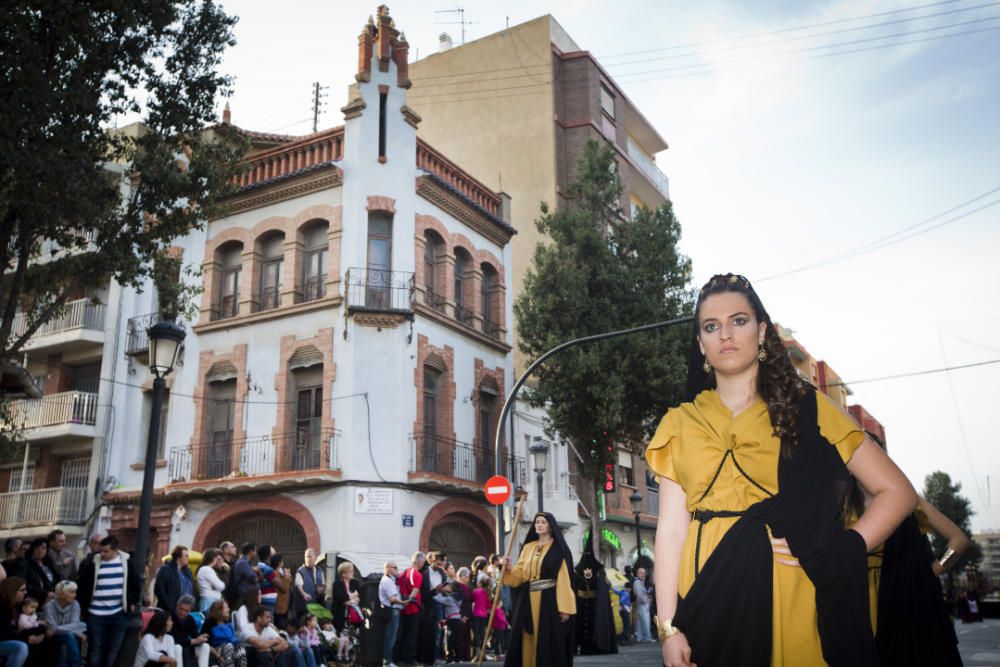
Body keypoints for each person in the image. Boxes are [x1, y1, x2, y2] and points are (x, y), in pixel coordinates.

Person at [647, 273, 918, 667]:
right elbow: (671, 530)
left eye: (738, 321)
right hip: (704, 594)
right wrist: (669, 628)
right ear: (700, 344)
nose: (725, 334)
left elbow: (898, 492)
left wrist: (842, 550)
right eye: (711, 326)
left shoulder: (808, 408)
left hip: (786, 588)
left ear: (761, 332)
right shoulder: (678, 423)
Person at [501, 512, 576, 667]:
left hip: (549, 601)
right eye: (537, 522)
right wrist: (508, 569)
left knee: (546, 639)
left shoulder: (557, 549)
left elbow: (563, 579)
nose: (539, 525)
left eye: (543, 522)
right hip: (527, 600)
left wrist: (565, 607)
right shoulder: (528, 547)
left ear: (550, 526)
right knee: (527, 636)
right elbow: (520, 574)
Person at [79, 534, 141, 667]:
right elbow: (83, 584)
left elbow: (135, 584)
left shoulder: (126, 561)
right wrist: (84, 608)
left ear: (115, 550)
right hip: (95, 612)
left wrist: (132, 602)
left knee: (114, 648)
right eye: (101, 550)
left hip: (118, 612)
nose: (102, 554)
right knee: (95, 647)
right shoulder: (93, 561)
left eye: (106, 551)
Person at [573, 533, 616, 655]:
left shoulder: (598, 569)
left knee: (593, 626)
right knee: (580, 626)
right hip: (580, 604)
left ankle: (595, 646)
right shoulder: (578, 570)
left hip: (594, 604)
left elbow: (602, 588)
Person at [240, 606, 306, 667]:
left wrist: (271, 649)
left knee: (286, 652)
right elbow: (258, 644)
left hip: (267, 657)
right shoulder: (247, 628)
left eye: (270, 617)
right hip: (250, 659)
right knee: (261, 652)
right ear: (259, 618)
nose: (269, 620)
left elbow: (285, 644)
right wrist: (275, 641)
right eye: (267, 617)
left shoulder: (268, 629)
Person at [43, 580, 86, 667]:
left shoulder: (75, 604)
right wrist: (75, 629)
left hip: (69, 636)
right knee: (69, 636)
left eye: (75, 592)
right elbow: (52, 628)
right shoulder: (49, 606)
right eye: (72, 592)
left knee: (65, 645)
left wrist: (56, 629)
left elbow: (75, 625)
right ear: (62, 594)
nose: (75, 595)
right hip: (54, 638)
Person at [396, 552, 424, 667]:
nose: (423, 564)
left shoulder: (404, 573)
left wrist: (403, 603)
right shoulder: (417, 574)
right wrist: (409, 601)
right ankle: (410, 660)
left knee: (402, 634)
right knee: (412, 635)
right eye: (423, 562)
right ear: (419, 561)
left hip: (402, 609)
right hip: (413, 608)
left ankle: (400, 658)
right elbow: (415, 590)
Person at [330, 562, 362, 662]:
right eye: (350, 571)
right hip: (340, 614)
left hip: (353, 615)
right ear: (343, 574)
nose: (353, 573)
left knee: (352, 637)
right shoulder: (337, 584)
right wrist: (353, 596)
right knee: (341, 636)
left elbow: (360, 596)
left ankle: (350, 657)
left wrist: (350, 600)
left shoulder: (355, 583)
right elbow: (340, 597)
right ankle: (339, 656)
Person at [202, 600, 247, 667]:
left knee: (240, 647)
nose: (229, 609)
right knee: (229, 646)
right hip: (214, 651)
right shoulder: (209, 623)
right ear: (219, 610)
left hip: (229, 648)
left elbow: (233, 638)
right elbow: (206, 643)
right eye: (226, 608)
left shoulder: (227, 620)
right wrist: (218, 656)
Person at [378, 560, 405, 667]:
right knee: (391, 636)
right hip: (391, 610)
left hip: (394, 610)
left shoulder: (392, 580)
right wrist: (404, 602)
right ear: (388, 568)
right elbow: (392, 598)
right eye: (395, 567)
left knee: (392, 636)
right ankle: (387, 661)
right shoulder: (387, 581)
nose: (397, 570)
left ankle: (389, 660)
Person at [154, 546, 195, 616]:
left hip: (185, 611)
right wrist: (169, 606)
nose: (188, 558)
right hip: (169, 610)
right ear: (178, 558)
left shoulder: (187, 571)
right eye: (186, 556)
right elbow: (159, 589)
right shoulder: (166, 569)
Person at [172, 594, 210, 667]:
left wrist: (202, 638)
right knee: (177, 647)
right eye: (181, 609)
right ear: (177, 606)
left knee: (205, 646)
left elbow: (195, 635)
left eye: (186, 611)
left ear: (190, 610)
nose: (183, 613)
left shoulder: (190, 619)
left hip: (186, 647)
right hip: (172, 647)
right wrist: (192, 641)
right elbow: (172, 640)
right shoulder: (169, 617)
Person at [0, 577, 31, 667]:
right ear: (12, 590)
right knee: (20, 647)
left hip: (7, 639)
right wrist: (26, 638)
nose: (26, 592)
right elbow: (2, 633)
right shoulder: (2, 606)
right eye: (22, 590)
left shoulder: (16, 605)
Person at [292, 548, 325, 620]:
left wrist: (322, 589)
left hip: (317, 605)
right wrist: (304, 594)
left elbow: (323, 585)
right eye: (306, 557)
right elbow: (299, 585)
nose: (308, 559)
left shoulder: (320, 571)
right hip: (304, 606)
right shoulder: (300, 571)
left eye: (310, 556)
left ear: (316, 558)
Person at [22, 538, 58, 603]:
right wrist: (45, 594)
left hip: (53, 599)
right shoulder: (26, 565)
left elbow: (56, 579)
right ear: (32, 550)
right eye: (37, 548)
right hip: (35, 601)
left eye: (43, 548)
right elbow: (25, 585)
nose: (40, 551)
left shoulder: (49, 564)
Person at [197, 548, 227, 613]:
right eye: (217, 558)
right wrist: (222, 584)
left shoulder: (207, 569)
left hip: (210, 600)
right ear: (213, 558)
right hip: (209, 601)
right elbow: (220, 586)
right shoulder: (207, 569)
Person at [231, 544, 260, 610]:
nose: (255, 553)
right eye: (255, 551)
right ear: (250, 551)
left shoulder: (247, 563)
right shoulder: (243, 563)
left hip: (249, 595)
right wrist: (256, 572)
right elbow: (254, 578)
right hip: (245, 595)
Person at [271, 554, 292, 628]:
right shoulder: (275, 573)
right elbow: (284, 588)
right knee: (280, 625)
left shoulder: (280, 572)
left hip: (284, 604)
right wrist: (287, 577)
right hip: (279, 605)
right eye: (282, 561)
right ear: (279, 562)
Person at [631, 568, 652, 643]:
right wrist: (646, 602)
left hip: (640, 604)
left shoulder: (639, 582)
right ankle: (647, 637)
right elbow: (639, 594)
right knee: (646, 621)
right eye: (642, 573)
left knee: (640, 622)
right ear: (638, 573)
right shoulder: (638, 582)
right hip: (643, 604)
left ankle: (640, 638)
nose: (644, 575)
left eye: (644, 573)